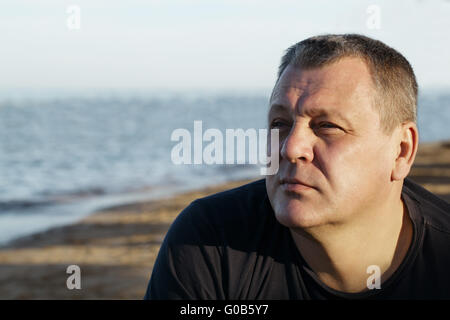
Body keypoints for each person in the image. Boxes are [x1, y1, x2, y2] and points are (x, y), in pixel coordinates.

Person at [144, 34, 450, 299]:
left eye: (327, 126)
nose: (290, 148)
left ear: (401, 151)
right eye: (280, 123)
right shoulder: (210, 240)